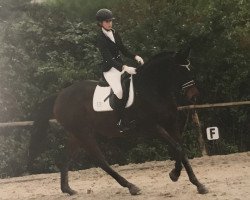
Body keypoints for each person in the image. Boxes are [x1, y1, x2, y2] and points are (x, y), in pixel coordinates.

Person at [96, 8, 144, 133]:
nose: (110, 23)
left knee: (134, 84)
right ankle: (120, 120)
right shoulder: (100, 38)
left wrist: (135, 56)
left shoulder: (115, 33)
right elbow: (108, 58)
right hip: (110, 69)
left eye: (111, 21)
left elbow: (123, 49)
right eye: (107, 21)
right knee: (119, 91)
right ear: (101, 23)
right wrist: (124, 67)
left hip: (120, 66)